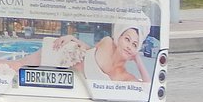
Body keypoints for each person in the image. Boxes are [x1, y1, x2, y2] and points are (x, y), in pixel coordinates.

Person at [11, 19, 150, 83]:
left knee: (17, 68)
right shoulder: (107, 42)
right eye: (127, 39)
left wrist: (137, 59)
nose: (129, 46)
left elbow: (147, 88)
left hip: (66, 76)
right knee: (17, 65)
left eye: (134, 44)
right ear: (119, 38)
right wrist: (72, 38)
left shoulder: (125, 76)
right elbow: (90, 50)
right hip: (62, 53)